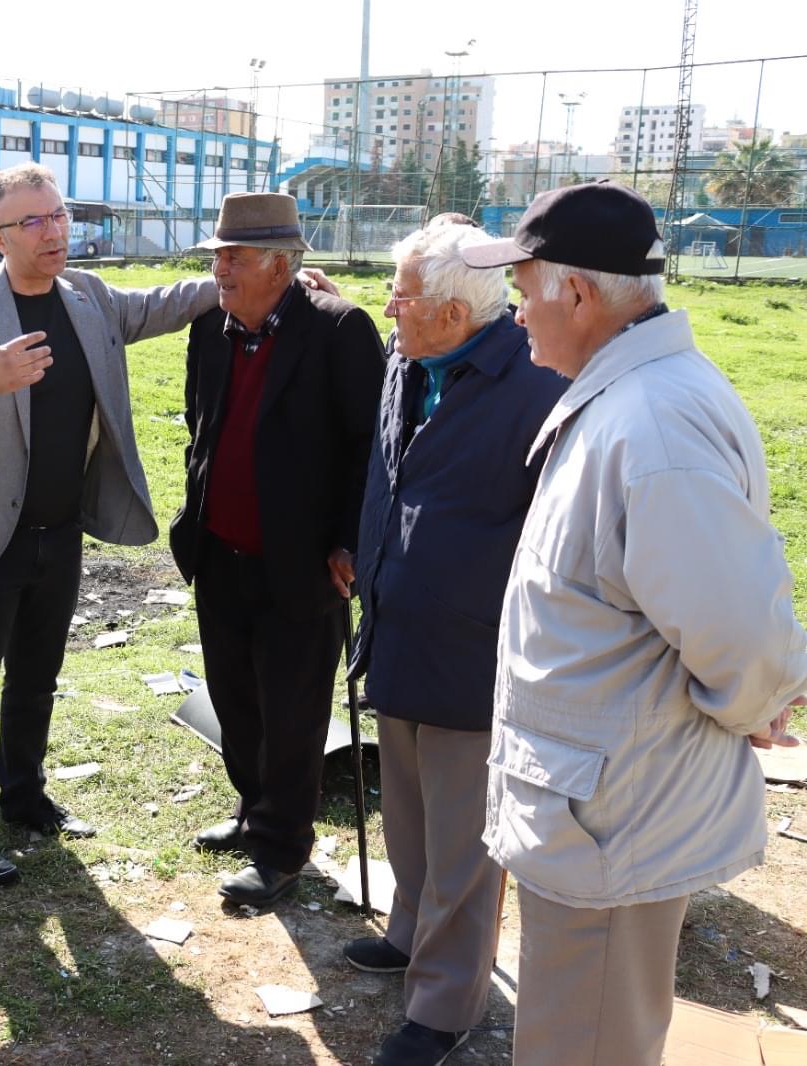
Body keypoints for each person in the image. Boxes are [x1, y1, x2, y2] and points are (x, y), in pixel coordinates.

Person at [460, 180, 807, 1065]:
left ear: (575, 292)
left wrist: (756, 703)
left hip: (614, 817)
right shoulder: (628, 399)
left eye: (524, 284)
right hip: (597, 804)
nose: (515, 306)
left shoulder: (652, 425)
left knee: (588, 1044)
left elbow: (740, 629)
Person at [0, 162, 219, 884]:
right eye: (33, 222)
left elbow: (166, 302)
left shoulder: (89, 298)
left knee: (37, 679)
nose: (54, 232)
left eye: (59, 215)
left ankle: (24, 796)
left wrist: (245, 278)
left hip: (56, 531)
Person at [345, 224, 566, 1066]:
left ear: (449, 310)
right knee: (405, 808)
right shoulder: (410, 358)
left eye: (400, 296)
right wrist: (363, 561)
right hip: (396, 625)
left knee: (467, 843)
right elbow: (384, 471)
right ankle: (407, 932)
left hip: (475, 648)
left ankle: (445, 1005)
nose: (388, 309)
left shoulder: (536, 383)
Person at [168, 191, 385, 908]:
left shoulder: (339, 329)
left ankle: (282, 848)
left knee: (292, 712)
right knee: (236, 700)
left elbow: (369, 450)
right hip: (222, 552)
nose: (219, 269)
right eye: (217, 255)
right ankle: (252, 810)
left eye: (233, 257)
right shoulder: (211, 327)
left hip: (303, 564)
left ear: (281, 265)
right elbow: (203, 428)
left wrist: (351, 541)